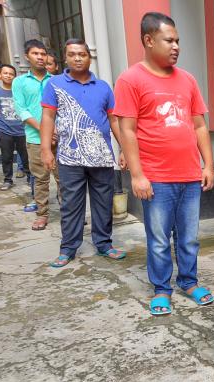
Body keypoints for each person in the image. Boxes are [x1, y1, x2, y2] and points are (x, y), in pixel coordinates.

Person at [114, 12, 214, 316]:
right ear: (148, 40)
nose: (176, 47)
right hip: (155, 177)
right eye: (169, 40)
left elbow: (199, 126)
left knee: (189, 237)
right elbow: (127, 130)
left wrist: (208, 165)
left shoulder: (187, 80)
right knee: (159, 239)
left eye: (178, 41)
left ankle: (188, 281)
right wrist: (137, 175)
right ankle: (161, 288)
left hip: (189, 175)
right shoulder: (130, 80)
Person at [40, 39, 127, 268]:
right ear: (65, 58)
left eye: (82, 54)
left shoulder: (103, 87)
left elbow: (113, 120)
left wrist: (124, 150)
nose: (77, 58)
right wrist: (46, 150)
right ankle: (68, 248)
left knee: (103, 202)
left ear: (89, 57)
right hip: (69, 157)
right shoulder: (55, 84)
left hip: (101, 156)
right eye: (72, 54)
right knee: (70, 203)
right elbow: (47, 117)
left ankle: (104, 244)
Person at [13, 39, 61, 230]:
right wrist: (45, 129)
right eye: (35, 54)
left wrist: (57, 130)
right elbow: (22, 110)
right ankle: (42, 214)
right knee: (40, 179)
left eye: (43, 54)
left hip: (60, 139)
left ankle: (70, 213)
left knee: (63, 179)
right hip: (35, 139)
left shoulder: (56, 81)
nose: (40, 57)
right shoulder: (20, 82)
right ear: (27, 56)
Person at [0, 64, 29, 191]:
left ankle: (30, 177)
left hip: (22, 130)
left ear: (15, 77)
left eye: (11, 74)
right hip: (5, 131)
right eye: (5, 73)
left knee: (26, 156)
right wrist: (3, 117)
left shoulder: (20, 91)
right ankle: (8, 180)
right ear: (0, 75)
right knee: (6, 157)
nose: (8, 75)